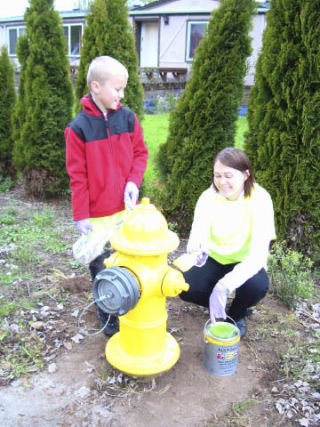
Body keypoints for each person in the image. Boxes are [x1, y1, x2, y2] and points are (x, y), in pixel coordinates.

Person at [65, 56, 148, 336]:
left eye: (124, 88)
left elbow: (140, 154)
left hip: (126, 210)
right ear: (96, 86)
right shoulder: (78, 128)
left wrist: (134, 182)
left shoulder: (128, 118)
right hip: (97, 215)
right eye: (117, 89)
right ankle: (108, 315)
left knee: (126, 260)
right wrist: (81, 216)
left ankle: (129, 305)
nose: (122, 95)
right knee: (102, 267)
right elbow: (78, 176)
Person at [180, 147, 275, 338]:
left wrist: (225, 285)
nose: (222, 182)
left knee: (257, 287)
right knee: (185, 285)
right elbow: (197, 235)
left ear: (245, 175)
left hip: (245, 261)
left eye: (228, 176)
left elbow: (257, 255)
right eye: (217, 176)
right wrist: (196, 252)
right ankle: (216, 304)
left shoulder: (260, 199)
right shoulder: (208, 198)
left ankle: (237, 314)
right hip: (214, 258)